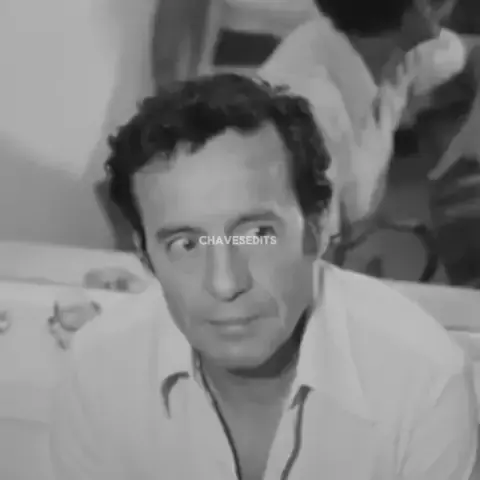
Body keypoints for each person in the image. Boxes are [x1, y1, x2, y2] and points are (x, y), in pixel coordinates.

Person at [49, 74, 477, 480]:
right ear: (145, 257)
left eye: (256, 235)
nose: (225, 283)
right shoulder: (99, 371)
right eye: (185, 243)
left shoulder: (423, 383)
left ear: (317, 227)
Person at [258, 0, 467, 237]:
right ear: (420, 8)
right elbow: (299, 247)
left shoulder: (381, 47)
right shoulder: (312, 111)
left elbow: (457, 53)